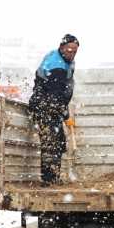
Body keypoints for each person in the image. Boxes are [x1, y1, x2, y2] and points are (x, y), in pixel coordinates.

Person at [28, 34, 79, 185]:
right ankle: (48, 181)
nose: (72, 53)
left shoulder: (64, 60)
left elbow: (61, 94)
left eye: (75, 51)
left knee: (59, 142)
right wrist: (65, 114)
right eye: (69, 50)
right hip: (44, 107)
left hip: (53, 108)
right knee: (51, 143)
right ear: (62, 47)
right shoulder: (56, 65)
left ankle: (53, 178)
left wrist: (63, 111)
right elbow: (54, 94)